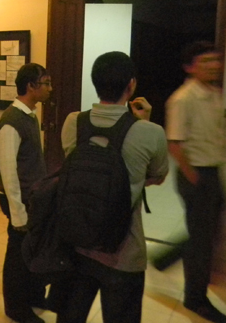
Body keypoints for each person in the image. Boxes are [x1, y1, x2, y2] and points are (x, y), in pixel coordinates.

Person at [56, 51, 169, 323]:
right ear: (131, 85)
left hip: (76, 243)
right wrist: (143, 121)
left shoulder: (73, 122)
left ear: (95, 83)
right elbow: (157, 176)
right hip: (124, 254)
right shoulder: (150, 132)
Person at [166, 41, 226, 323]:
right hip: (197, 174)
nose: (214, 66)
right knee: (202, 241)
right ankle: (195, 300)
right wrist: (195, 179)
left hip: (213, 170)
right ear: (190, 67)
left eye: (215, 60)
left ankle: (171, 255)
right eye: (205, 62)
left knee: (211, 227)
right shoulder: (182, 99)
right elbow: (175, 144)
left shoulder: (215, 93)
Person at [0, 63, 52, 323]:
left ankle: (32, 294)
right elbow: (8, 174)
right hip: (19, 200)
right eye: (46, 83)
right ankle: (16, 307)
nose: (50, 89)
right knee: (17, 255)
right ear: (30, 87)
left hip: (33, 197)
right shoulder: (11, 121)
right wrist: (18, 215)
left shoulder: (29, 114)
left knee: (32, 250)